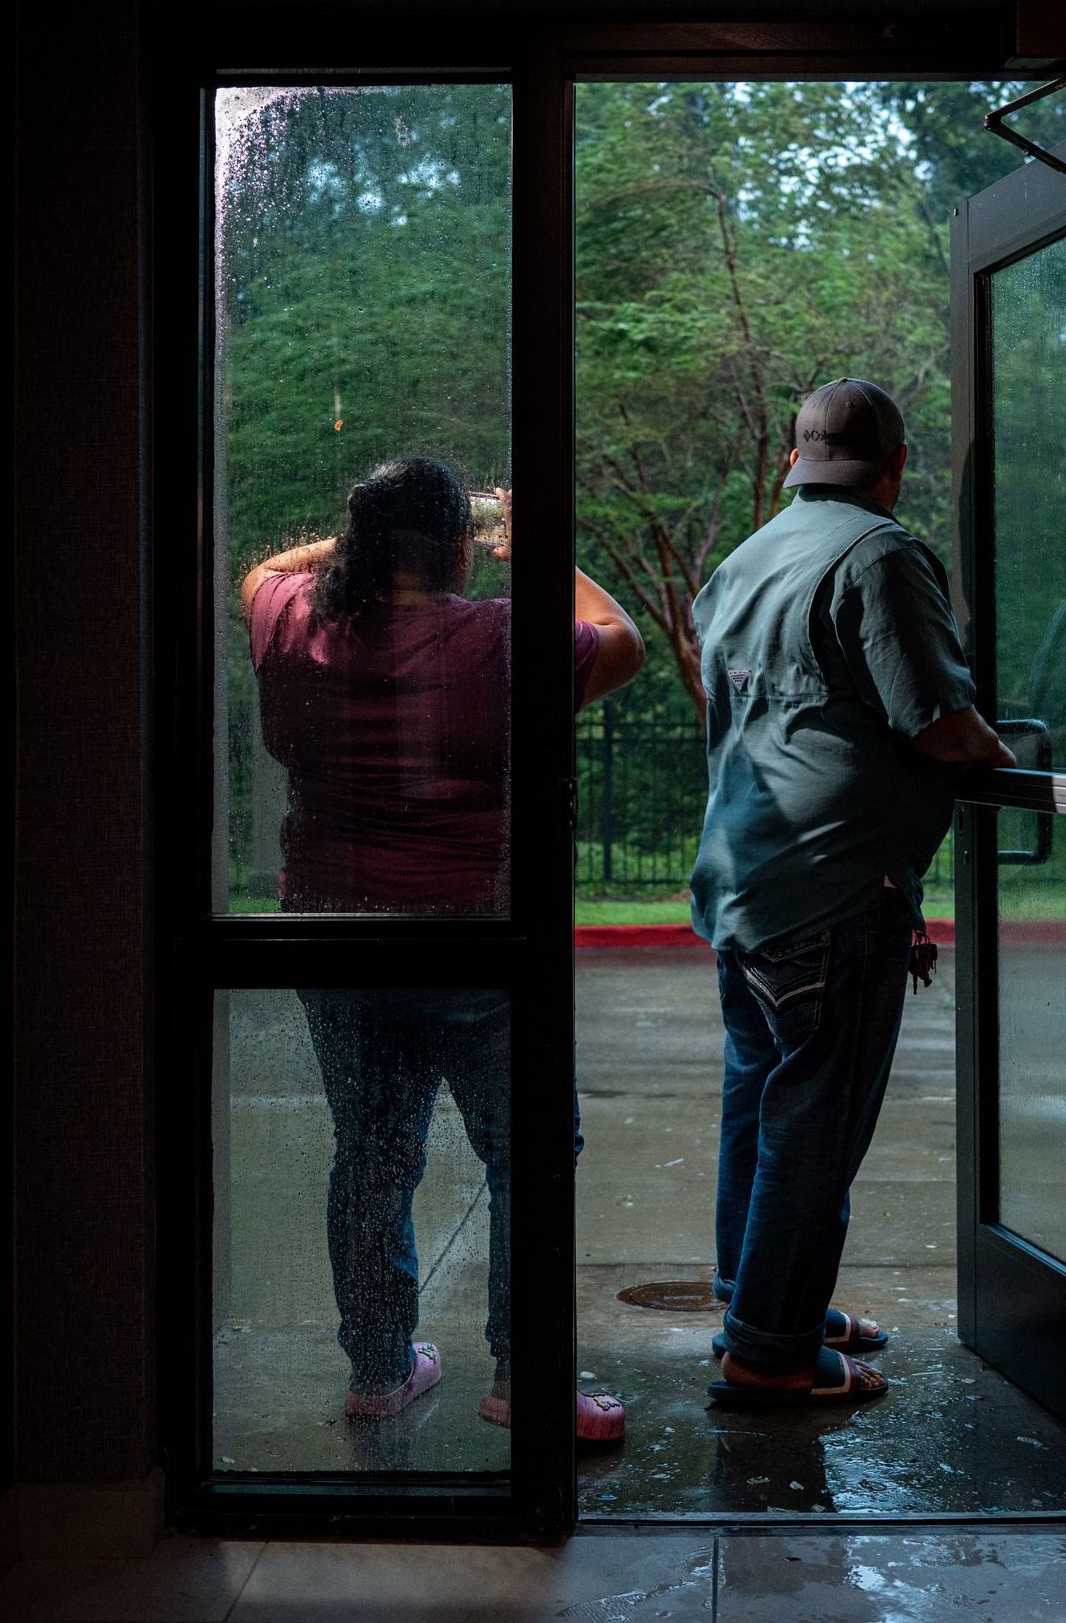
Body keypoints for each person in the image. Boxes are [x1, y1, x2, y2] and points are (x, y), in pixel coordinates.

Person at [243, 456, 645, 1443]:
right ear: (458, 544)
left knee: (371, 1155)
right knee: (530, 1150)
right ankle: (525, 1374)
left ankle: (380, 1369)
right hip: (478, 937)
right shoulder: (502, 638)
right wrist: (535, 537)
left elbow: (255, 572)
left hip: (337, 935)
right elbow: (625, 643)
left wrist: (371, 537)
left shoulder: (295, 622)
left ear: (363, 544)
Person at [688, 379, 1016, 1408]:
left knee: (762, 1102)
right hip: (833, 891)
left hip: (745, 881)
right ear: (893, 466)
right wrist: (1001, 753)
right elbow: (934, 717)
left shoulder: (749, 556)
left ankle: (759, 1299)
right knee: (812, 1123)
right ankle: (771, 1350)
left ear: (794, 460)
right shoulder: (879, 553)